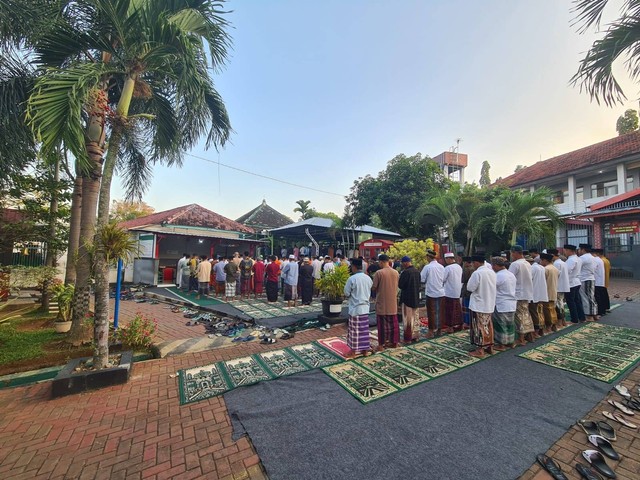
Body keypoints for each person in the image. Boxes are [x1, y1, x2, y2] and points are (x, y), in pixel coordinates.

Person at [343, 258, 374, 359]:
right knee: (364, 331)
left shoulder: (352, 279)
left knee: (354, 331)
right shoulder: (368, 278)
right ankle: (364, 350)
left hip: (355, 308)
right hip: (365, 308)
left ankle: (352, 351)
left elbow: (346, 293)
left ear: (354, 267)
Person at [467, 255, 497, 357]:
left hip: (478, 304)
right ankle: (490, 347)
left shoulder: (477, 273)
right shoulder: (492, 272)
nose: (472, 265)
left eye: (473, 263)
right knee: (488, 325)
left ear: (476, 262)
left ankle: (480, 350)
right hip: (489, 303)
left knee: (478, 326)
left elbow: (470, 288)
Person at [371, 254, 400, 351]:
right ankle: (394, 342)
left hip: (382, 302)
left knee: (382, 325)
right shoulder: (396, 272)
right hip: (392, 302)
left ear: (381, 262)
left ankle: (381, 345)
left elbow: (374, 287)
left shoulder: (379, 273)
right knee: (393, 324)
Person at [508, 245, 535, 344]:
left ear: (515, 253)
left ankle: (521, 338)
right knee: (526, 313)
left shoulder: (515, 264)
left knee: (519, 315)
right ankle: (530, 335)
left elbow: (509, 278)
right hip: (527, 292)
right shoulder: (527, 263)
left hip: (519, 293)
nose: (511, 255)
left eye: (512, 253)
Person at [491, 256, 517, 350]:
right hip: (511, 302)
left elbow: (492, 288)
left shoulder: (499, 275)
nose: (492, 267)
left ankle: (502, 345)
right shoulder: (511, 274)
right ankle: (511, 342)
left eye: (493, 265)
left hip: (502, 303)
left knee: (501, 325)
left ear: (497, 265)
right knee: (510, 324)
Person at [420, 249, 445, 338]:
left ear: (428, 257)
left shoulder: (427, 267)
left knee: (431, 313)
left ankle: (430, 332)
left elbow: (422, 279)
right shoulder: (441, 267)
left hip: (431, 293)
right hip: (441, 292)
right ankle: (439, 330)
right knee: (440, 312)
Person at [398, 256, 421, 343]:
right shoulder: (417, 271)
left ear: (406, 263)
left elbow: (400, 285)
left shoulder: (405, 272)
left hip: (407, 298)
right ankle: (416, 336)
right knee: (415, 318)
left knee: (407, 319)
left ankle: (408, 338)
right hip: (415, 297)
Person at [527, 255, 548, 337]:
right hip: (541, 293)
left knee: (534, 312)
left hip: (534, 293)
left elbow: (529, 280)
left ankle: (536, 331)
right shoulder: (541, 268)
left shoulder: (532, 268)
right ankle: (541, 330)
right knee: (540, 311)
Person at [443, 252, 463, 332]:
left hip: (449, 292)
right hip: (457, 291)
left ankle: (450, 327)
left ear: (449, 259)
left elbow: (443, 279)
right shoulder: (459, 267)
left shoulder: (448, 268)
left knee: (449, 310)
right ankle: (459, 325)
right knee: (457, 309)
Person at [548, 248, 569, 326]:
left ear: (552, 255)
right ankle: (563, 320)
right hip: (562, 286)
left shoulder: (556, 264)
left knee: (558, 304)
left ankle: (560, 321)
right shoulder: (563, 263)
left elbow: (556, 275)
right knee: (561, 303)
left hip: (558, 286)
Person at [564, 244, 585, 323]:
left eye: (565, 251)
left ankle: (574, 319)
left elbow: (567, 271)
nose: (565, 252)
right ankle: (581, 317)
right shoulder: (578, 259)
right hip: (577, 281)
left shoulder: (571, 260)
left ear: (569, 251)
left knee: (571, 301)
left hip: (571, 282)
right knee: (577, 300)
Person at [540, 253, 559, 332]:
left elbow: (542, 281)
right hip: (554, 290)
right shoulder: (555, 268)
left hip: (547, 292)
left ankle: (548, 327)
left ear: (545, 260)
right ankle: (554, 326)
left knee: (547, 311)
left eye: (541, 260)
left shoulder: (546, 269)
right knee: (552, 309)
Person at [578, 243, 597, 322]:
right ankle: (594, 313)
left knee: (586, 297)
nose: (578, 251)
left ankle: (589, 316)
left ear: (583, 250)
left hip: (585, 279)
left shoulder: (583, 258)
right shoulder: (593, 257)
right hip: (590, 278)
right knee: (591, 296)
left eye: (579, 249)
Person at [592, 248, 610, 316]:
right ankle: (605, 308)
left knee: (600, 297)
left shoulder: (600, 260)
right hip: (604, 280)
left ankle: (601, 310)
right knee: (604, 295)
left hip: (600, 281)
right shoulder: (606, 260)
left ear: (598, 253)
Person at [461, 256, 475, 328]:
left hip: (467, 290)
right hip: (472, 290)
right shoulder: (474, 269)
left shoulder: (466, 269)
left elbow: (463, 279)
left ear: (466, 262)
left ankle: (467, 322)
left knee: (466, 306)